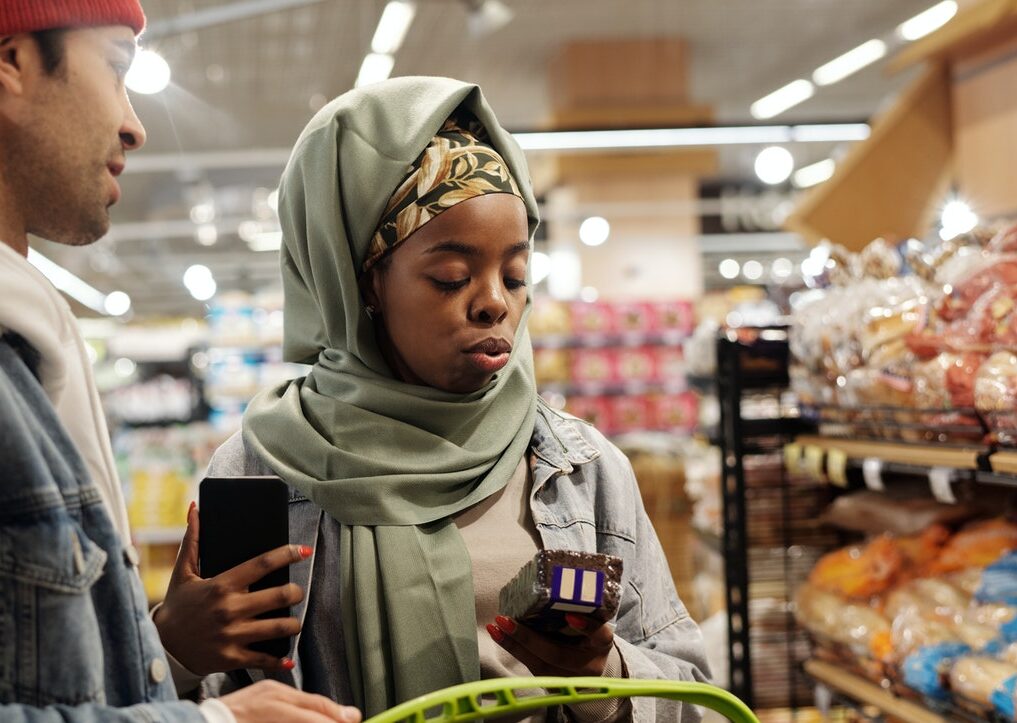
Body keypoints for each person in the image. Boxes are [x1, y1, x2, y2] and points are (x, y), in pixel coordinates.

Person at [197, 76, 710, 721]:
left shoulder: (580, 467)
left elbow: (698, 695)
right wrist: (178, 653)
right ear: (362, 282)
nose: (496, 301)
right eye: (451, 277)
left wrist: (605, 680)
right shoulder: (259, 471)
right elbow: (217, 697)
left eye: (517, 274)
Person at [0, 3, 362, 721]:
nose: (134, 124)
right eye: (115, 67)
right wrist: (212, 719)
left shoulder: (28, 338)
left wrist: (167, 650)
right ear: (11, 61)